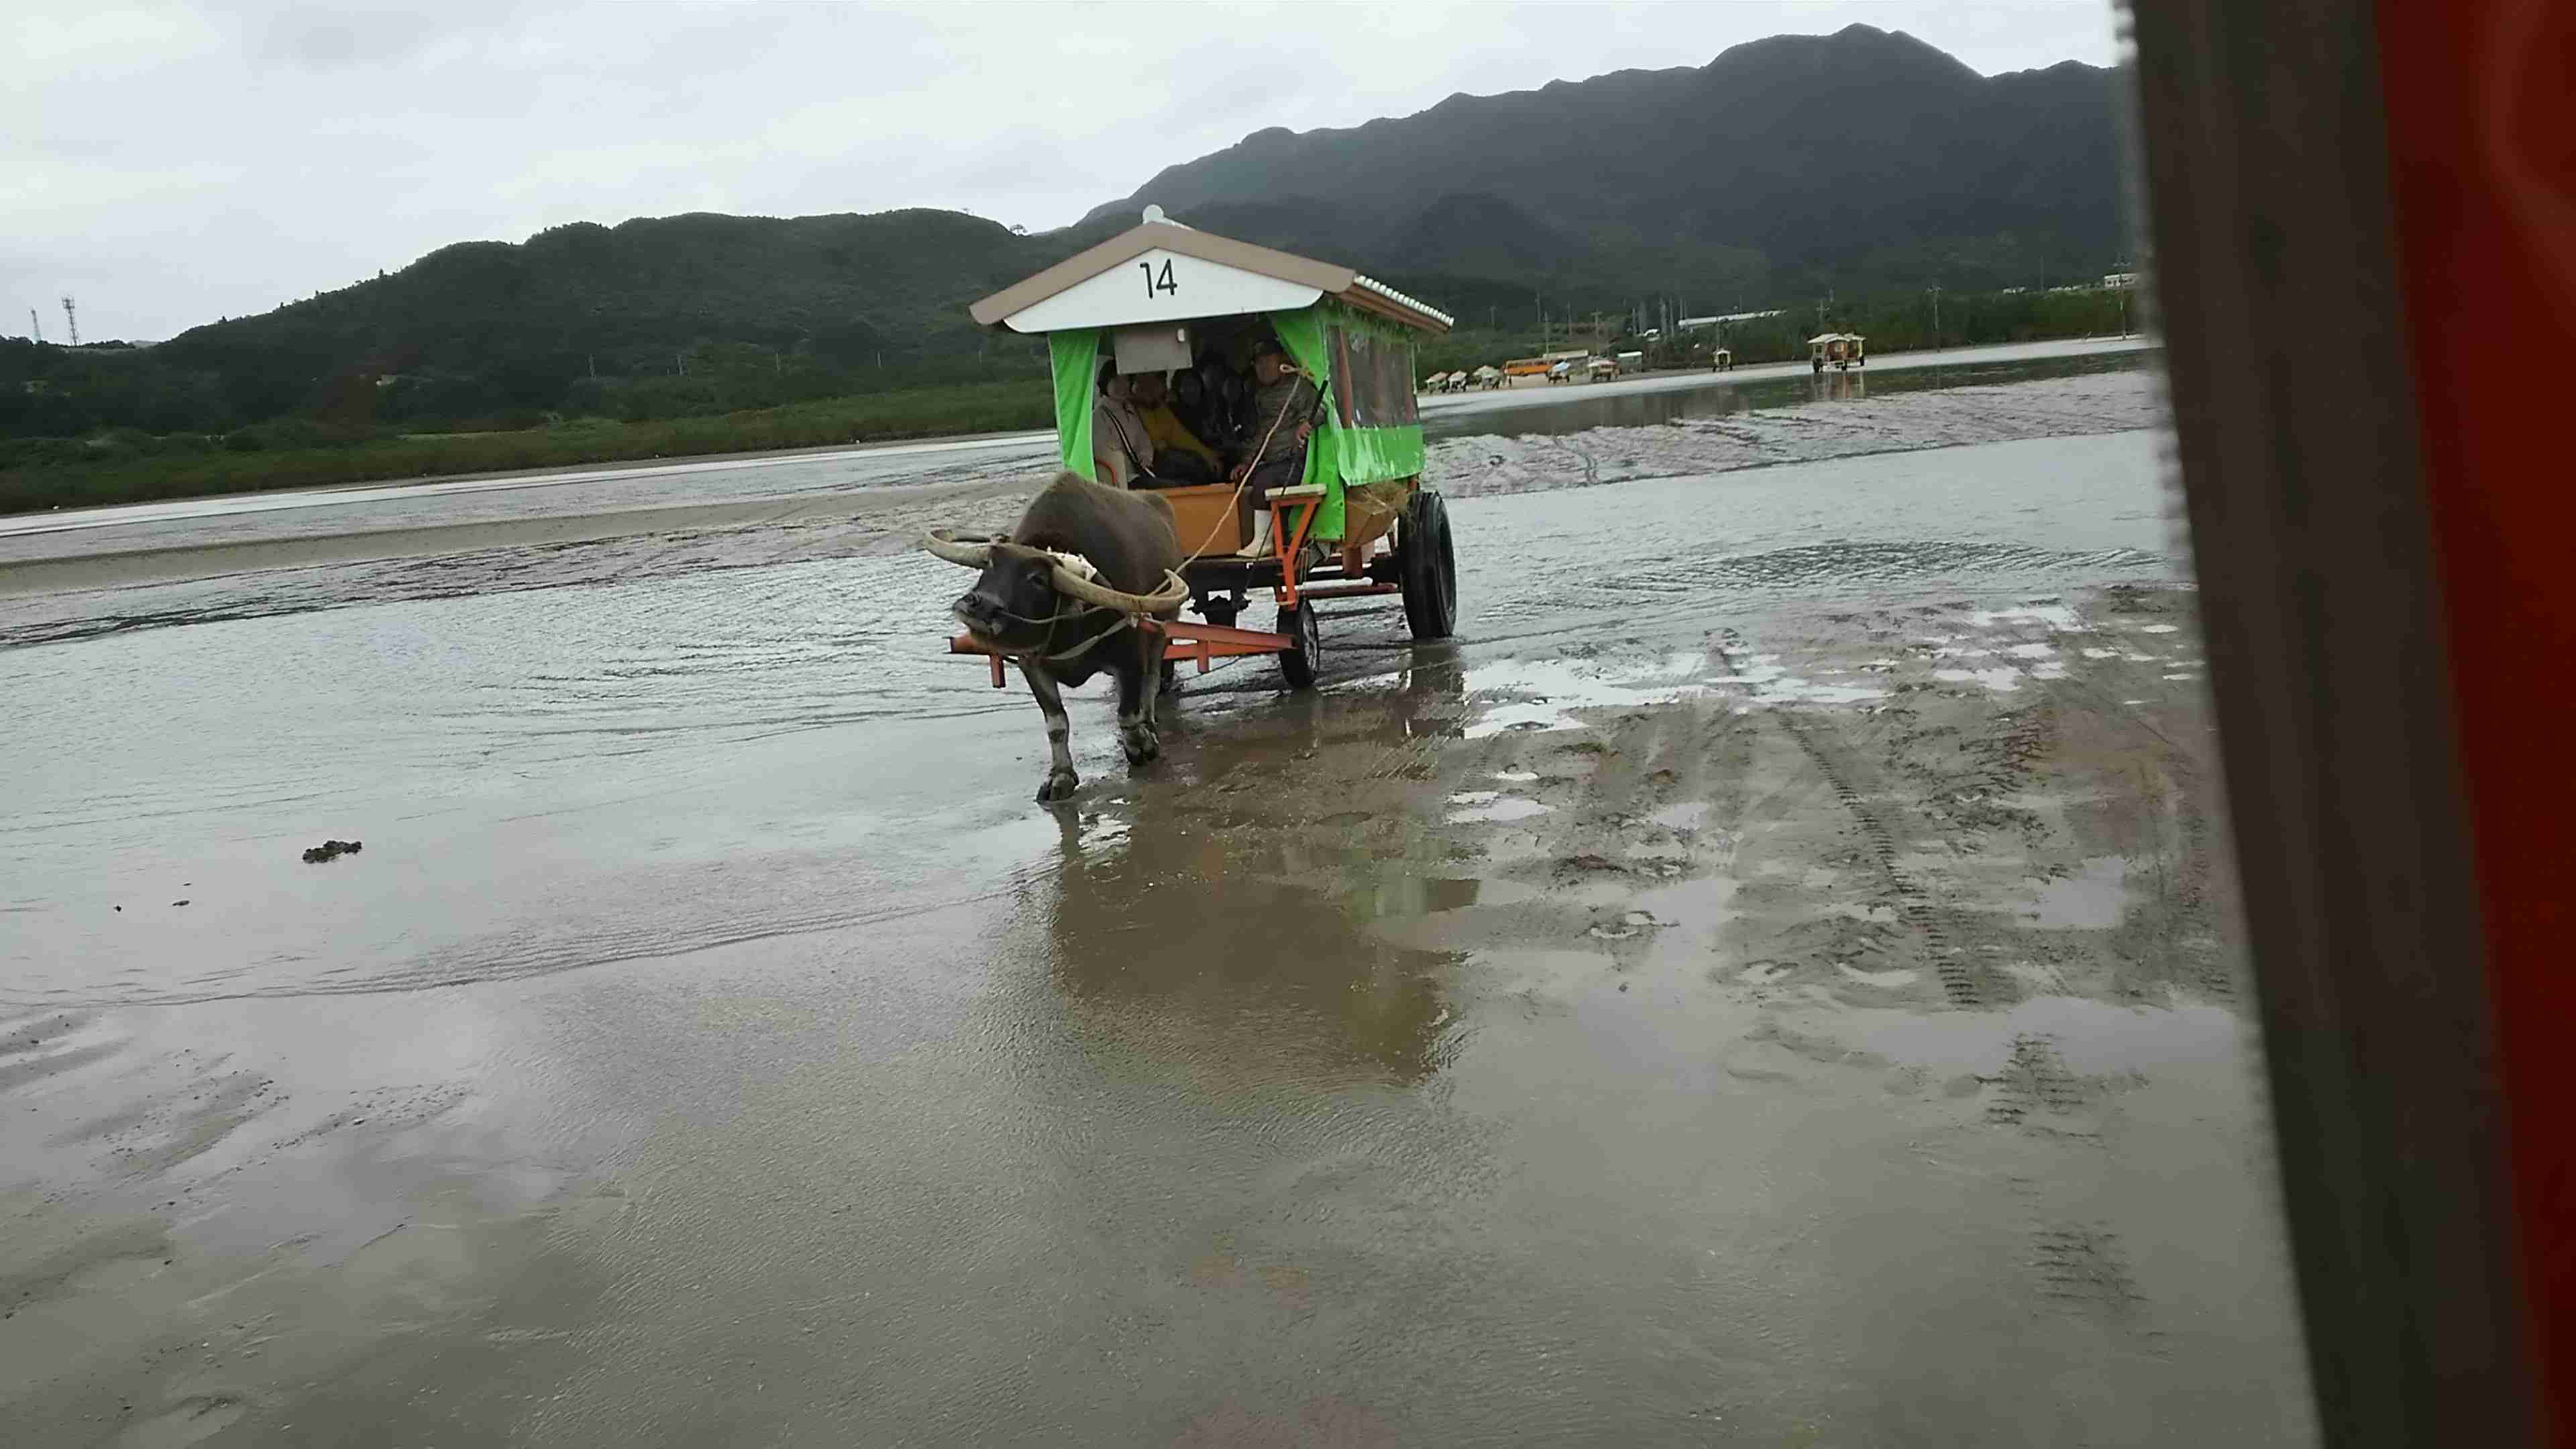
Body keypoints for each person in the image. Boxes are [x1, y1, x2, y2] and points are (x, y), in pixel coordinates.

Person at [1229, 337, 1324, 557]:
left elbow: (1321, 408)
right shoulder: (1261, 395)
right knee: (1247, 480)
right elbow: (1262, 433)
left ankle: (1264, 543)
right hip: (1274, 459)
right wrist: (1247, 462)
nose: (1263, 367)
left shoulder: (1298, 386)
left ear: (1281, 360)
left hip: (1296, 460)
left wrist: (1305, 423)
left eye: (1268, 361)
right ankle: (1249, 537)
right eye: (1258, 363)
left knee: (1266, 482)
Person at [1128, 371, 1222, 484]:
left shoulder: (1159, 407)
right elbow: (1153, 442)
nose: (1164, 387)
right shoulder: (1132, 408)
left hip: (1168, 455)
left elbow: (1181, 436)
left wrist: (1209, 456)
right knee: (1195, 466)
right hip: (1149, 463)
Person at [1091, 363, 1153, 488]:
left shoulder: (1129, 409)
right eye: (1117, 381)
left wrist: (1145, 457)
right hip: (1122, 479)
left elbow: (1143, 439)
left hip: (1142, 471)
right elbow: (1106, 453)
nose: (1123, 386)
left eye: (1126, 380)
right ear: (1105, 383)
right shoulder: (1098, 416)